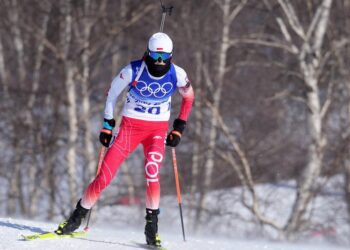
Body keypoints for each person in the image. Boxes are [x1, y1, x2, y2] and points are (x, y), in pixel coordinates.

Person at [55, 32, 195, 247]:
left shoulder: (177, 74)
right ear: (148, 53)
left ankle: (151, 228)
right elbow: (111, 94)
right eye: (155, 57)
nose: (159, 62)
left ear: (170, 56)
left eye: (164, 58)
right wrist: (107, 125)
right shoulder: (133, 70)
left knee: (152, 172)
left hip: (156, 131)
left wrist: (179, 128)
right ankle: (75, 218)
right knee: (104, 177)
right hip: (130, 129)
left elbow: (189, 97)